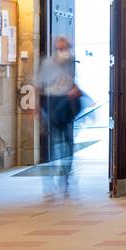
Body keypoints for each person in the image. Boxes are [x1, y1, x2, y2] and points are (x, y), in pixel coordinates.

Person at [36, 36, 83, 167]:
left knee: (68, 137)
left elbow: (75, 82)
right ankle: (52, 169)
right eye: (59, 48)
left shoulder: (72, 62)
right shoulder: (48, 63)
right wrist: (37, 108)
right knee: (53, 136)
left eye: (65, 48)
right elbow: (39, 85)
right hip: (52, 102)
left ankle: (66, 170)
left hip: (67, 102)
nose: (62, 51)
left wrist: (74, 89)